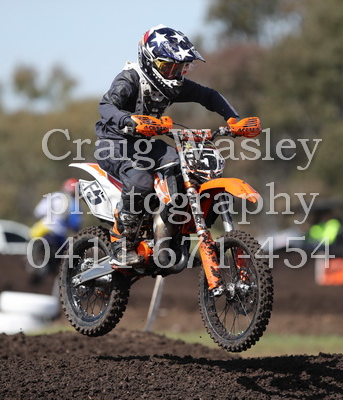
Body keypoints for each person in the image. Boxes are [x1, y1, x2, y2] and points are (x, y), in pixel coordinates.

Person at [94, 24, 249, 266]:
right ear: (149, 61)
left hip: (144, 146)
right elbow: (105, 106)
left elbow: (208, 95)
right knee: (141, 180)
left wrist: (234, 120)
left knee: (184, 165)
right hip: (113, 144)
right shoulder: (130, 78)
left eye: (180, 68)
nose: (174, 74)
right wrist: (128, 120)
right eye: (168, 67)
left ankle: (172, 231)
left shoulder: (173, 84)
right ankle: (121, 241)